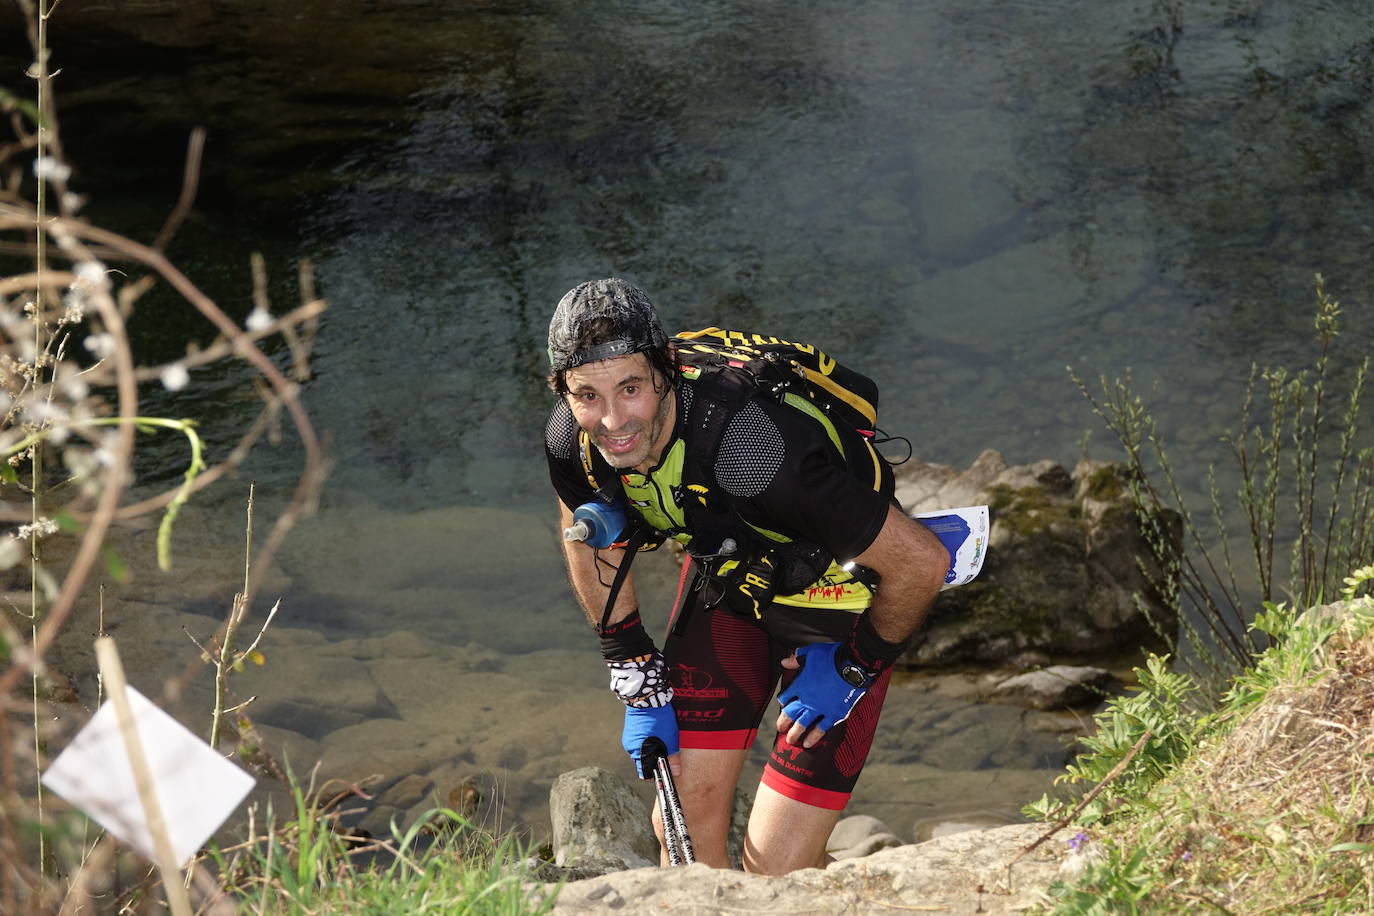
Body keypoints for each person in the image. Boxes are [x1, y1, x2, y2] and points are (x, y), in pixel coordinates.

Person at [544, 278, 949, 875]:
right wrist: (631, 665)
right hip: (734, 577)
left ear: (667, 370)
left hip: (837, 598)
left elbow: (921, 563)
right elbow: (582, 533)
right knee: (681, 828)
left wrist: (854, 665)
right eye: (587, 395)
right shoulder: (571, 439)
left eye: (630, 388)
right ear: (563, 390)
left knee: (777, 869)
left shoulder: (753, 453)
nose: (611, 420)